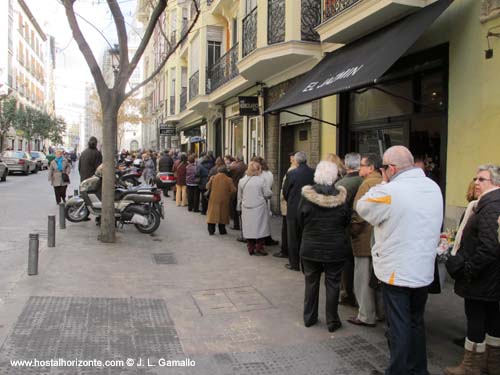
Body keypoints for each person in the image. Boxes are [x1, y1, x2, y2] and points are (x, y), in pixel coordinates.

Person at [356, 146, 443, 375]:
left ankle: (398, 371)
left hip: (397, 271)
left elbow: (362, 206)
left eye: (384, 168)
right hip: (423, 270)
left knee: (398, 325)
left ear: (391, 169)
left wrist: (384, 182)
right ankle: (418, 370)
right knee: (415, 321)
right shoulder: (432, 187)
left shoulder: (391, 191)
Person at [445, 165, 500, 375]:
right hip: (489, 276)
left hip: (482, 277)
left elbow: (489, 247)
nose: (476, 182)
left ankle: (471, 366)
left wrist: (468, 269)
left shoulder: (491, 205)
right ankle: (492, 362)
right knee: (492, 313)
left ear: (495, 183)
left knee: (476, 317)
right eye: (475, 178)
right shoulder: (488, 203)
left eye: (482, 179)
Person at [298, 161, 350, 332]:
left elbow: (300, 220)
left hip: (311, 246)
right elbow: (346, 220)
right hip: (335, 248)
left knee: (311, 282)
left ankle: (309, 317)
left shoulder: (306, 196)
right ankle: (332, 320)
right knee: (333, 283)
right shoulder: (342, 197)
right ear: (335, 176)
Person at [347, 154, 384, 328]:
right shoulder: (385, 183)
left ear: (371, 168)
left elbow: (359, 213)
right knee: (377, 278)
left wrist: (352, 231)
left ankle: (366, 315)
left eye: (362, 165)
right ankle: (381, 313)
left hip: (364, 238)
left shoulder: (367, 184)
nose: (359, 168)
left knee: (362, 279)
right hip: (380, 240)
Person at [335, 153, 363, 307]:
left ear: (346, 166)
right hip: (365, 229)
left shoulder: (342, 184)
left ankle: (348, 293)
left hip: (348, 229)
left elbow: (337, 209)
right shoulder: (366, 181)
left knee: (347, 262)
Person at [282, 151, 315, 271]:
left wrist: (290, 201)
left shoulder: (292, 174)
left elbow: (285, 191)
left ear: (296, 161)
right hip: (309, 209)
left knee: (293, 238)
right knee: (306, 237)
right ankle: (306, 264)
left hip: (293, 209)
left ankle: (294, 263)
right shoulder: (313, 172)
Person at [237, 161, 273, 256]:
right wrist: (270, 193)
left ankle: (250, 247)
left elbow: (239, 196)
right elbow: (267, 194)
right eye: (260, 169)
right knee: (260, 228)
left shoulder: (242, 181)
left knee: (249, 228)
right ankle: (259, 247)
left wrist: (238, 207)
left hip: (246, 207)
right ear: (257, 170)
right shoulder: (261, 181)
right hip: (259, 208)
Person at [252, 156, 279, 246]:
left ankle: (259, 240)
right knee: (265, 221)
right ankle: (267, 238)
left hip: (257, 199)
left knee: (258, 221)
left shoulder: (258, 175)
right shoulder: (269, 173)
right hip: (265, 199)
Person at [274, 152, 297, 258]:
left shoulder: (292, 171)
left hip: (288, 205)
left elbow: (286, 188)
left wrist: (284, 197)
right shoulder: (293, 169)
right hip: (289, 204)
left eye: (292, 159)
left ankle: (285, 250)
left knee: (286, 229)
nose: (290, 161)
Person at [206, 166, 236, 235]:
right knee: (223, 215)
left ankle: (211, 230)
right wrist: (229, 195)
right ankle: (222, 230)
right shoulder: (228, 179)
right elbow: (233, 190)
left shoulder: (213, 177)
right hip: (224, 199)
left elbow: (207, 186)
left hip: (213, 199)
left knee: (212, 215)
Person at [229, 155, 247, 231]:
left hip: (235, 187)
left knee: (235, 206)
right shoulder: (246, 166)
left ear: (237, 159)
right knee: (243, 207)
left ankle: (236, 224)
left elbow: (229, 173)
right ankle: (244, 224)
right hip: (244, 188)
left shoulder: (234, 167)